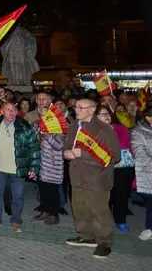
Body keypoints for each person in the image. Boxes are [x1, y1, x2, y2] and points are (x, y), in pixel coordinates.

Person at [64, 99, 121, 258]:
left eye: (80, 107)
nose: (76, 110)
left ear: (92, 110)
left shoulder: (104, 129)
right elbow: (68, 145)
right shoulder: (74, 125)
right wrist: (67, 153)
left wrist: (84, 154)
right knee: (79, 208)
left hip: (97, 177)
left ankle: (104, 242)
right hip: (77, 175)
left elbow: (114, 156)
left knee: (98, 210)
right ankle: (86, 236)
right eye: (76, 107)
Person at [98, 105, 134, 233]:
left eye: (107, 113)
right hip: (102, 168)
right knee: (105, 196)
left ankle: (120, 221)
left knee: (121, 195)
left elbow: (124, 146)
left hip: (121, 167)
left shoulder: (120, 128)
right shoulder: (92, 131)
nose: (106, 116)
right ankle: (103, 220)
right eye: (102, 114)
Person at [34, 112, 66, 226]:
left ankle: (54, 215)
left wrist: (47, 135)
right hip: (42, 165)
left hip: (53, 167)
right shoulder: (37, 127)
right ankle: (45, 211)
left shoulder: (58, 131)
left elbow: (59, 146)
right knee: (43, 190)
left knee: (52, 192)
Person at [131, 107, 152, 241]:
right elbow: (139, 153)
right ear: (147, 117)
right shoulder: (138, 132)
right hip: (148, 173)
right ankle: (149, 228)